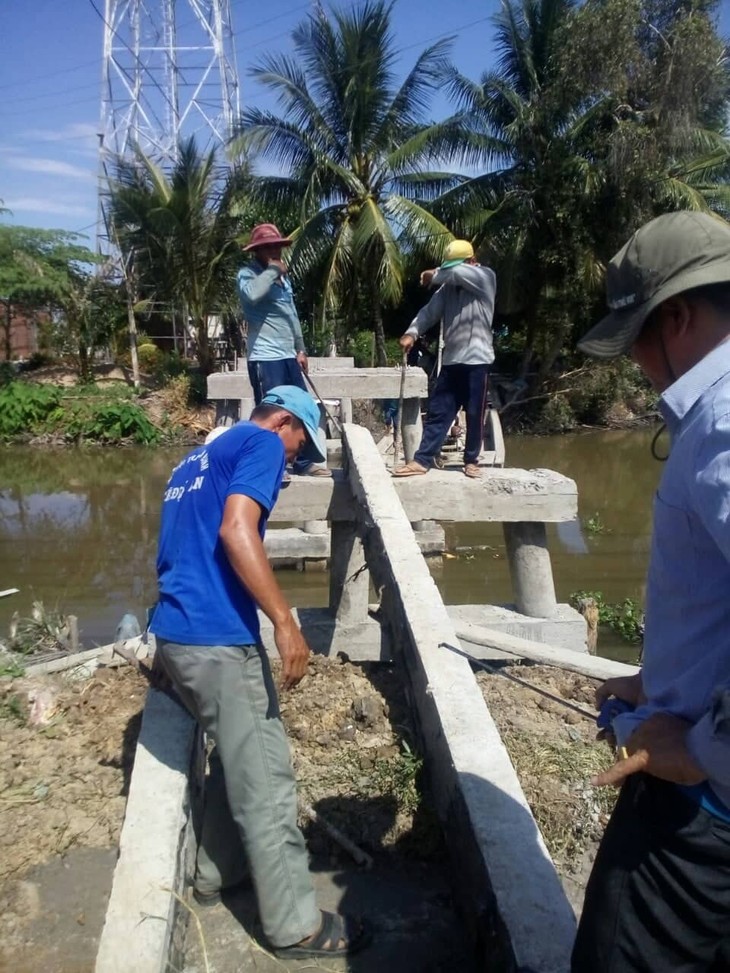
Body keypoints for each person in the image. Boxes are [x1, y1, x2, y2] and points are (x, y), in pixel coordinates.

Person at [149, 385, 367, 959]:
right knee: (267, 779)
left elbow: (176, 547)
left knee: (236, 760)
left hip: (177, 635)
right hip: (219, 639)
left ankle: (217, 873)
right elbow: (236, 530)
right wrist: (284, 621)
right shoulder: (262, 444)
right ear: (284, 422)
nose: (295, 456)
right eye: (301, 443)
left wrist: (162, 642)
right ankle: (296, 926)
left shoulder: (192, 460)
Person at [572, 210, 730, 972]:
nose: (635, 358)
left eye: (635, 335)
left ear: (676, 317)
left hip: (702, 823)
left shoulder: (723, 422)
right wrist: (661, 676)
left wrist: (700, 746)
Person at [392, 239, 497, 479]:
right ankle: (422, 460)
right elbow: (429, 312)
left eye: (455, 267)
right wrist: (412, 332)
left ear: (472, 262)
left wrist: (433, 273)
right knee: (439, 412)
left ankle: (471, 460)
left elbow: (455, 273)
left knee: (473, 413)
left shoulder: (485, 277)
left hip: (477, 360)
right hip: (451, 360)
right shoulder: (448, 288)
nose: (451, 272)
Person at [237, 222, 330, 477]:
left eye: (277, 247)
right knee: (271, 414)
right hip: (265, 357)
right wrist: (272, 270)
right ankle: (274, 465)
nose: (275, 252)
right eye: (268, 248)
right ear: (257, 251)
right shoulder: (248, 274)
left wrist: (300, 348)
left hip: (288, 355)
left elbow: (292, 315)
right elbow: (252, 295)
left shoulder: (283, 281)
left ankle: (301, 463)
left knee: (301, 408)